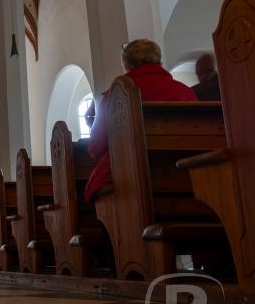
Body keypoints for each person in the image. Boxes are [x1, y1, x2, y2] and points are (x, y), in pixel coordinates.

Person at [84, 39, 197, 202]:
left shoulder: (116, 96)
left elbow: (96, 146)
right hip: (186, 176)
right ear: (159, 61)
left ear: (127, 64)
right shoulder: (185, 91)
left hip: (129, 181)